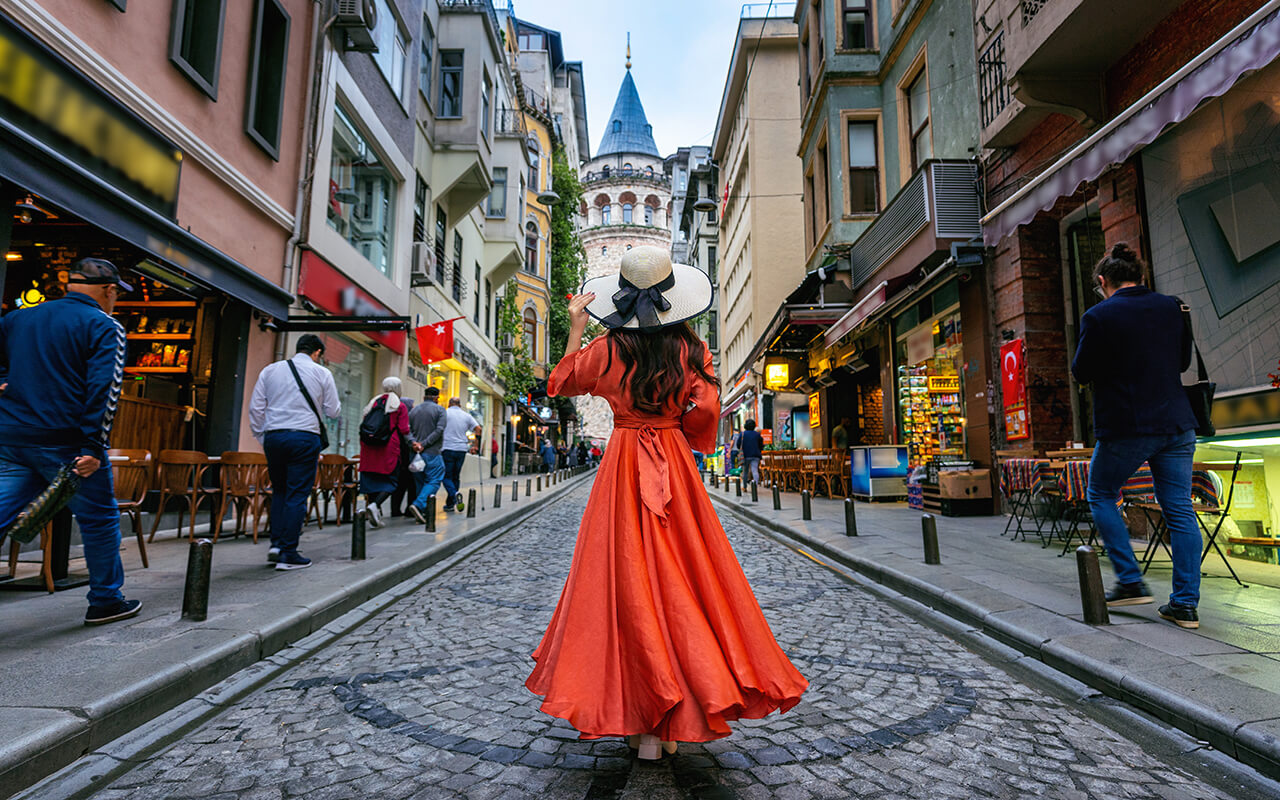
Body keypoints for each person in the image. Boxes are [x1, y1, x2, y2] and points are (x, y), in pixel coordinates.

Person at [526, 246, 806, 760]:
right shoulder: (690, 348)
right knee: (688, 573)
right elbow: (709, 411)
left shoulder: (610, 348)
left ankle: (640, 724)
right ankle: (677, 720)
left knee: (624, 579)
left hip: (623, 462)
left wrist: (574, 325)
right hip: (673, 461)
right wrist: (684, 418)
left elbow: (561, 383)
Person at [0, 258, 145, 623]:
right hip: (66, 443)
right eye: (116, 294)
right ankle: (106, 600)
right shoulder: (104, 326)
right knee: (98, 518)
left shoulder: (19, 318)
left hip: (13, 436)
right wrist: (93, 447)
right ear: (110, 290)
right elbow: (104, 391)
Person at [1072, 243, 1201, 629]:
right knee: (1179, 508)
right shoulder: (1172, 307)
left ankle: (1129, 579)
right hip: (1178, 423)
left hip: (1128, 424)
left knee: (1100, 493)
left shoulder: (1098, 316)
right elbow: (1181, 362)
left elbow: (1081, 371)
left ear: (1102, 281)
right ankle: (1185, 604)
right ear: (1141, 276)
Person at [250, 333, 341, 570]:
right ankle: (288, 553)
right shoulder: (322, 373)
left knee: (279, 490)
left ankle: (277, 544)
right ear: (317, 353)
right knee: (297, 493)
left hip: (274, 436)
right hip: (304, 436)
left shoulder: (270, 370)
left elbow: (256, 407)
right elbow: (333, 411)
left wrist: (263, 436)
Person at [358, 377, 410, 528]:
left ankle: (375, 510)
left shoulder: (373, 402)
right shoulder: (399, 406)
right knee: (391, 480)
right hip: (388, 446)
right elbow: (404, 429)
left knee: (372, 478)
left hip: (368, 447)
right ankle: (375, 505)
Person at [406, 387, 447, 524]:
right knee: (434, 479)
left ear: (424, 396)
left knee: (420, 482)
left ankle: (421, 512)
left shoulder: (414, 410)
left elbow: (407, 429)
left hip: (415, 453)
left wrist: (414, 443)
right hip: (432, 452)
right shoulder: (440, 410)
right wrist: (424, 444)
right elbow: (439, 430)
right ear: (436, 398)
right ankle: (418, 505)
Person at [441, 397, 482, 511]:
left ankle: (454, 494)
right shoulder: (466, 415)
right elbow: (478, 429)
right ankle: (450, 504)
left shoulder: (445, 413)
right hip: (461, 449)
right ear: (460, 405)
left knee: (445, 476)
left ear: (449, 404)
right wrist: (475, 446)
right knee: (455, 476)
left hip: (447, 448)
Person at [389, 397, 415, 516]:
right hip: (406, 458)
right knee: (410, 484)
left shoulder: (394, 419)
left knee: (399, 485)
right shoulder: (407, 421)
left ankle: (395, 509)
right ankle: (409, 509)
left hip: (397, 458)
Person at [740, 419, 765, 485]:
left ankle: (744, 486)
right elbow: (761, 445)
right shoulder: (757, 434)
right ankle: (755, 486)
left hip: (745, 455)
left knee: (745, 471)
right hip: (755, 455)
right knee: (755, 470)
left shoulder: (743, 434)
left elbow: (738, 444)